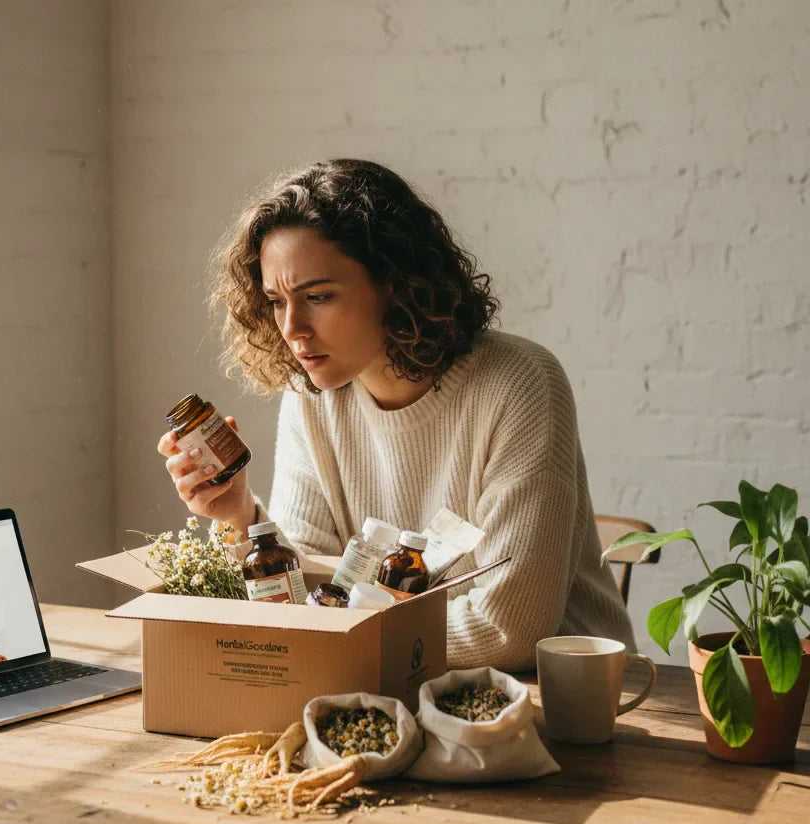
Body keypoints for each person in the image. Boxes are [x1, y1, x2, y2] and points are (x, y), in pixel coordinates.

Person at [157, 157, 635, 675]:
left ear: (394, 283)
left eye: (317, 296)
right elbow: (310, 591)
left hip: (562, 697)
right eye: (276, 301)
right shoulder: (313, 396)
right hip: (392, 681)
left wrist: (340, 634)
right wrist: (238, 516)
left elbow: (510, 629)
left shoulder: (519, 383)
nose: (292, 328)